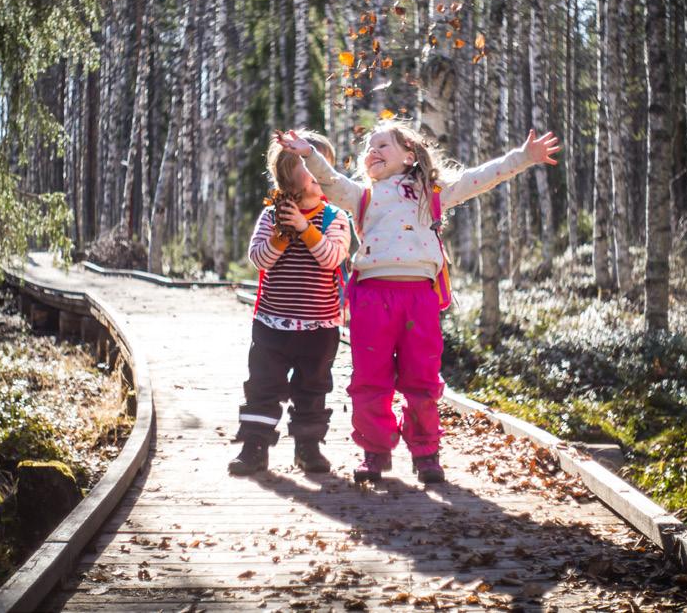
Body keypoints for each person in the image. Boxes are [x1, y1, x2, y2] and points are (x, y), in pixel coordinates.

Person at [277, 123, 559, 483]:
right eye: (369, 148)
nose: (373, 151)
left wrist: (523, 157)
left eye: (383, 145)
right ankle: (375, 453)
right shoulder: (361, 195)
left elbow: (478, 178)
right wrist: (308, 153)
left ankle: (426, 453)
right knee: (369, 379)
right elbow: (329, 179)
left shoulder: (430, 193)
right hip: (372, 299)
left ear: (409, 156)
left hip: (419, 300)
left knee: (422, 379)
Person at [228, 130, 352, 475]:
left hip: (319, 327)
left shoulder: (334, 218)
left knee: (312, 389)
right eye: (314, 164)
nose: (323, 170)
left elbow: (332, 258)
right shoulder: (271, 216)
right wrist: (283, 236)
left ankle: (308, 448)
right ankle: (254, 447)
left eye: (324, 163)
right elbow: (260, 260)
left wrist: (306, 229)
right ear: (290, 173)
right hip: (272, 323)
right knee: (263, 386)